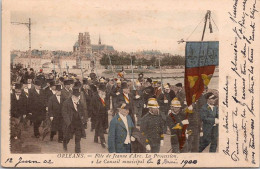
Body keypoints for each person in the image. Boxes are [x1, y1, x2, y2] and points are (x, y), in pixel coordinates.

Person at [62, 87, 86, 153]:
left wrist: (83, 118)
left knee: (78, 136)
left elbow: (82, 111)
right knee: (68, 136)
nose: (78, 98)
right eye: (76, 96)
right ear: (72, 96)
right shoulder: (66, 103)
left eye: (78, 96)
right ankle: (65, 143)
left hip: (78, 122)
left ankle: (77, 150)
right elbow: (64, 113)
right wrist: (68, 122)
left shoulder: (79, 102)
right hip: (70, 122)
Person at [92, 84, 109, 148]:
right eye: (102, 91)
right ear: (99, 91)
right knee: (100, 128)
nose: (104, 92)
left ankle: (95, 138)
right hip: (97, 115)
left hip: (104, 115)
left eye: (104, 91)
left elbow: (106, 105)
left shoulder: (104, 96)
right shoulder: (95, 97)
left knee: (98, 127)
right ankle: (103, 141)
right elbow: (92, 107)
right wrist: (95, 114)